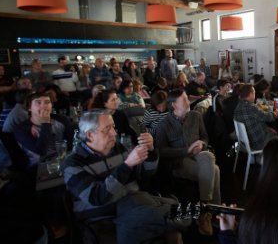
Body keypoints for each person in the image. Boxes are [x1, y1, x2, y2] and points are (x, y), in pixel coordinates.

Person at [63, 109, 184, 244]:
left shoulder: (119, 148)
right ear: (90, 135)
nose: (114, 133)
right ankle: (189, 216)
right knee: (161, 218)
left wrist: (150, 150)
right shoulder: (73, 163)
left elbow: (147, 173)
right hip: (103, 218)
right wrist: (126, 166)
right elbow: (97, 198)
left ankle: (180, 213)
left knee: (158, 220)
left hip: (134, 205)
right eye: (107, 129)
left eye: (113, 127)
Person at [153, 89, 221, 204]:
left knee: (208, 156)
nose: (188, 102)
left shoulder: (196, 116)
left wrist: (201, 144)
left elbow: (204, 136)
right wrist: (186, 150)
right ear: (174, 105)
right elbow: (161, 151)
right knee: (215, 170)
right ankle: (212, 207)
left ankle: (207, 205)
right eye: (184, 100)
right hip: (179, 160)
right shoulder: (163, 124)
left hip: (198, 152)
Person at [14, 92, 66, 168]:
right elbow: (41, 151)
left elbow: (71, 144)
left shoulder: (62, 121)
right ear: (29, 107)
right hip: (38, 167)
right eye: (38, 103)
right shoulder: (21, 129)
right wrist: (45, 123)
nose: (44, 106)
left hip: (63, 162)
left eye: (47, 102)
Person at [234, 84, 276, 151]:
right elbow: (269, 118)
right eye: (254, 93)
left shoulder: (238, 106)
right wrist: (274, 113)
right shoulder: (251, 107)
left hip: (245, 142)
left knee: (270, 129)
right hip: (258, 142)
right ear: (251, 94)